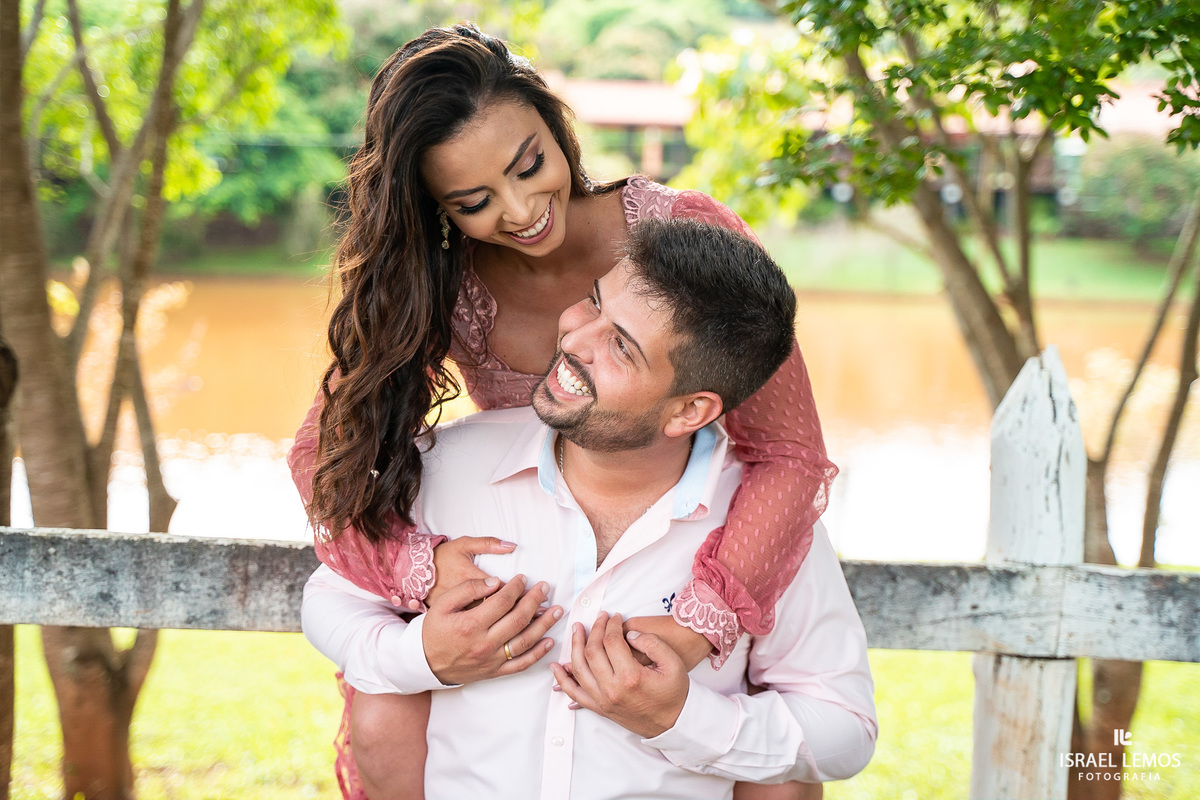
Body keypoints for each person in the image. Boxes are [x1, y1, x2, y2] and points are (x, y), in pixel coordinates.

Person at [287, 22, 837, 799]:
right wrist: (422, 567)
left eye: (529, 165)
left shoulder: (678, 233)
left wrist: (700, 621)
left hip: (676, 554)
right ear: (435, 206)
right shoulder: (441, 281)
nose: (520, 211)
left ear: (554, 123)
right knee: (389, 716)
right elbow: (321, 454)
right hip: (527, 565)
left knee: (774, 768)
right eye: (474, 201)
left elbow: (788, 453)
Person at [302, 218, 877, 800]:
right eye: (594, 302)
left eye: (621, 345)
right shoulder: (449, 464)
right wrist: (422, 656)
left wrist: (680, 718)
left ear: (689, 411)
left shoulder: (765, 528)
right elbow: (331, 597)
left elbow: (846, 729)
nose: (575, 339)